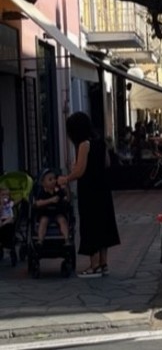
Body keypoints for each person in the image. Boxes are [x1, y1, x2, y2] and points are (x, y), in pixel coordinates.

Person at [59, 112, 120, 278]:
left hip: (89, 190)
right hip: (103, 189)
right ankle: (103, 264)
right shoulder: (100, 142)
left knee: (91, 225)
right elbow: (106, 163)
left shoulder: (84, 145)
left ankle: (93, 266)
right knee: (104, 225)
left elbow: (80, 171)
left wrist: (66, 179)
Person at [34, 169, 70, 245]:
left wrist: (66, 189)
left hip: (57, 212)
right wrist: (50, 200)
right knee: (43, 221)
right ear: (43, 183)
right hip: (46, 212)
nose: (53, 181)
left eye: (54, 179)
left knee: (62, 220)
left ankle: (66, 239)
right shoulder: (42, 192)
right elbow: (37, 203)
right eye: (50, 179)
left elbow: (66, 200)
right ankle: (40, 239)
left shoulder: (58, 191)